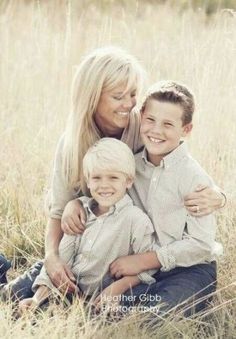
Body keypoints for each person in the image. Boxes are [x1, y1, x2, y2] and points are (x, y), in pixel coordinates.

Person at [0, 46, 225, 301]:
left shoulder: (143, 126)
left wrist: (219, 195)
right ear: (93, 97)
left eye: (132, 95)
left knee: (139, 309)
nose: (128, 104)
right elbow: (58, 211)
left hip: (139, 252)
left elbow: (176, 162)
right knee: (13, 297)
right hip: (94, 246)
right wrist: (52, 257)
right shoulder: (72, 143)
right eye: (119, 96)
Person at [108, 81, 223, 316]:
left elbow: (200, 245)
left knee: (155, 314)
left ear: (186, 129)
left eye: (168, 124)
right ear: (141, 117)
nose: (156, 131)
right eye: (150, 120)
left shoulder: (193, 177)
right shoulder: (131, 165)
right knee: (106, 308)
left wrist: (145, 261)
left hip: (188, 268)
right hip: (141, 267)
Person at [18, 138, 157, 313]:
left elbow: (147, 269)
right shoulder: (79, 213)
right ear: (88, 181)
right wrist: (37, 299)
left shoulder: (136, 221)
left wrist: (117, 289)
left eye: (113, 177)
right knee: (22, 303)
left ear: (128, 181)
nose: (104, 185)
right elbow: (62, 259)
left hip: (105, 300)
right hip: (67, 295)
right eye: (97, 177)